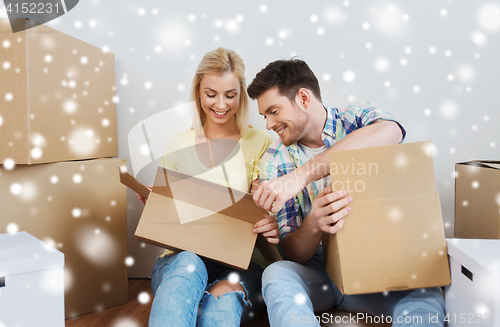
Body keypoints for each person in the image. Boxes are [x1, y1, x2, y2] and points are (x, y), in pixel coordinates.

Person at [248, 58, 446, 326]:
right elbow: (291, 252)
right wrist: (314, 223)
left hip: (377, 265)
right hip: (319, 274)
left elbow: (391, 131)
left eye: (273, 110)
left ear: (304, 98)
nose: (269, 124)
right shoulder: (273, 161)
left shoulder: (356, 119)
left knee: (426, 289)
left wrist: (299, 177)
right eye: (264, 116)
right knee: (276, 274)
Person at [137, 48, 278, 327]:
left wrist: (270, 217)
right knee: (189, 265)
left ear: (241, 94)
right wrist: (157, 207)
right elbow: (169, 228)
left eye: (230, 95)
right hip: (181, 260)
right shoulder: (179, 143)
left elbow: (263, 207)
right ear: (198, 93)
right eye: (211, 94)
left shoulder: (262, 142)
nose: (221, 105)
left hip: (240, 264)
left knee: (220, 305)